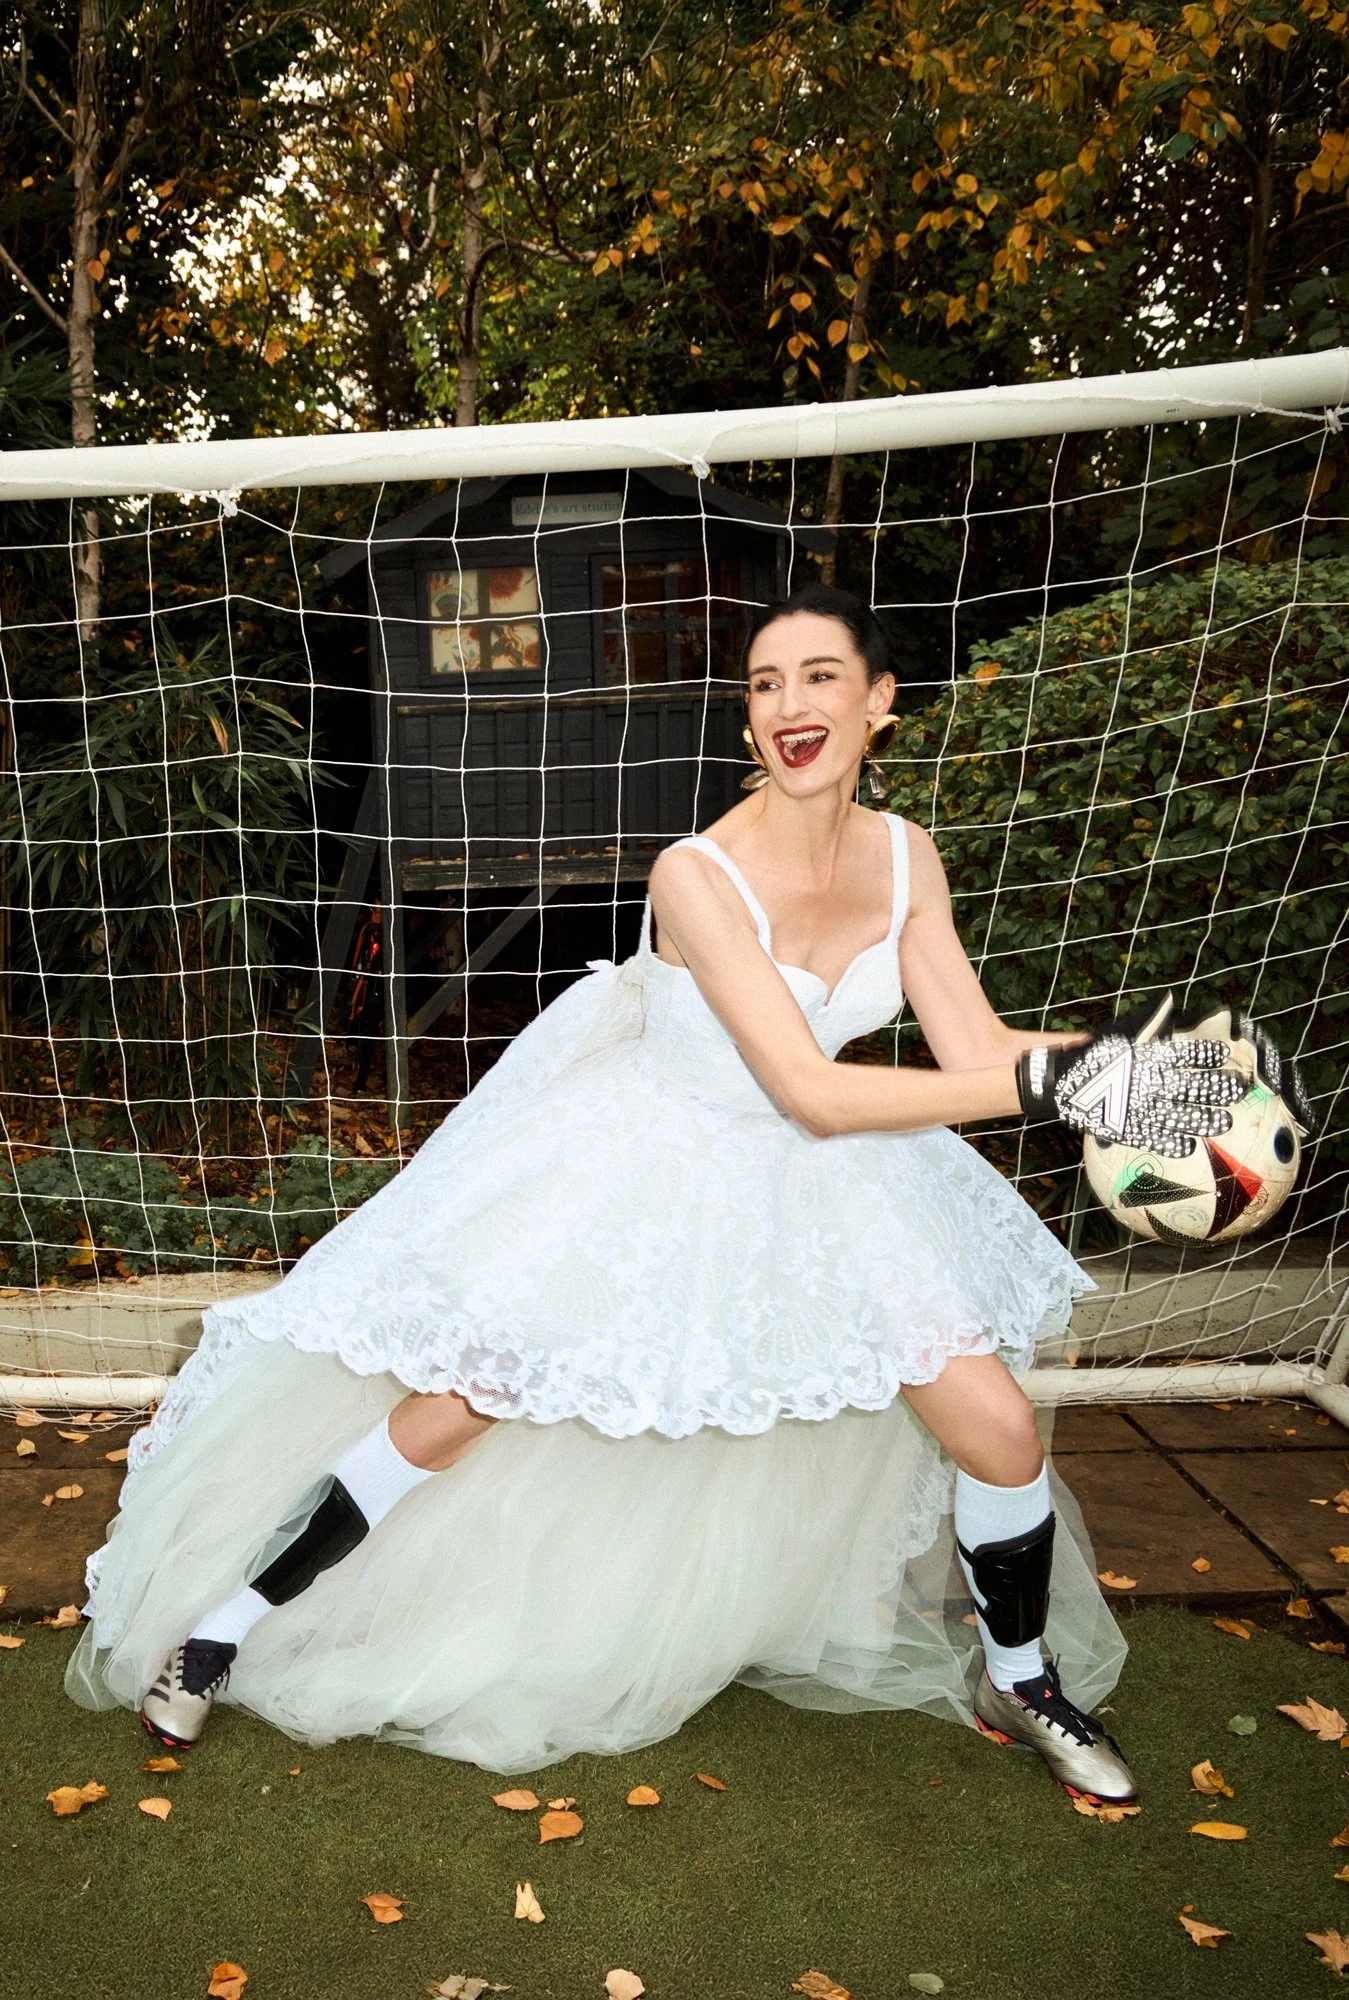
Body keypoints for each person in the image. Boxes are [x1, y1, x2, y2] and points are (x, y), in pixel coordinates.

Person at [68, 584, 1244, 1801]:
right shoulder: (695, 872)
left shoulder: (906, 858)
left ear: (879, 703)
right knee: (461, 1400)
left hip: (832, 1185)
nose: (788, 704)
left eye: (819, 676)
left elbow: (969, 1044)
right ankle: (228, 1619)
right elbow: (808, 1087)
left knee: (995, 1424)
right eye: (764, 683)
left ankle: (1021, 1675)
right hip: (653, 1158)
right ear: (748, 721)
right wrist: (1073, 1079)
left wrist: (1138, 1070)